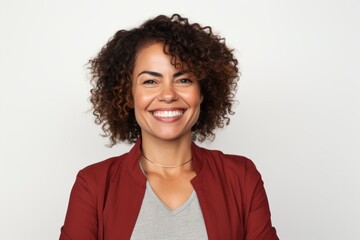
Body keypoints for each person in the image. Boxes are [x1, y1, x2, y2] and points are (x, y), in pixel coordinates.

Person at [59, 14, 279, 240]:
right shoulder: (94, 185)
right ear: (129, 94)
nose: (168, 95)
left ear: (202, 92)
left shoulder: (240, 177)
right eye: (150, 81)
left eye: (183, 80)